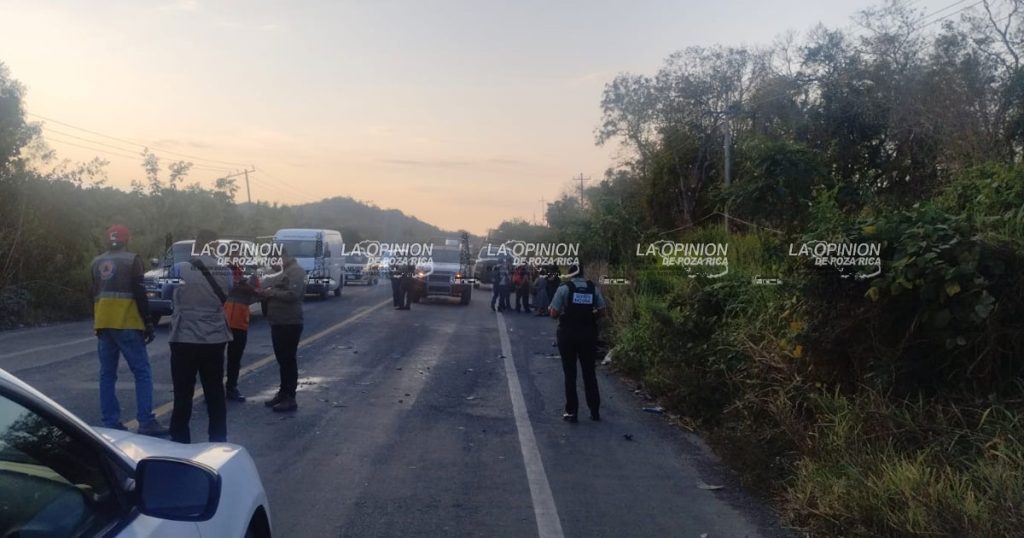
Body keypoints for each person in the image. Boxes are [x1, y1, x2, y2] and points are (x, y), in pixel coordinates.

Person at [90, 224, 168, 436]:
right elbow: (140, 293)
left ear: (109, 240)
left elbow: (94, 293)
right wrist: (149, 322)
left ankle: (110, 422)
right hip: (128, 322)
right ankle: (146, 421)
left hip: (104, 324)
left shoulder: (96, 262)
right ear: (127, 240)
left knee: (107, 375)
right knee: (142, 372)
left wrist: (97, 322)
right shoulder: (132, 260)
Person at [168, 229, 233, 443]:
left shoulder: (179, 269)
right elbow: (227, 295)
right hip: (214, 340)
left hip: (183, 338)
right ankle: (218, 441)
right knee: (215, 392)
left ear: (197, 244)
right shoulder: (226, 272)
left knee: (182, 395)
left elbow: (169, 293)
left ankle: (179, 444)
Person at [548, 263, 605, 423]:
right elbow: (602, 311)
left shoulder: (564, 288)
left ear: (570, 273)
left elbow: (553, 313)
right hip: (588, 335)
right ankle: (595, 411)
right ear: (583, 272)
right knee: (589, 373)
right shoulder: (592, 288)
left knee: (570, 374)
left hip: (568, 335)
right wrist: (589, 313)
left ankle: (572, 412)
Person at [259, 247, 305, 412]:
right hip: (278, 321)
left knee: (288, 360)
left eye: (277, 258)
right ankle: (283, 392)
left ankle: (290, 397)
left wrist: (272, 293)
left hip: (290, 322)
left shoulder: (296, 272)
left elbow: (294, 294)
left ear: (286, 256)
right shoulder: (282, 271)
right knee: (282, 360)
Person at [224, 263, 260, 402]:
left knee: (235, 358)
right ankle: (214, 388)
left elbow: (257, 294)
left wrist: (245, 286)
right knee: (214, 358)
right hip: (221, 321)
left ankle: (231, 387)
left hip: (239, 323)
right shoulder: (221, 272)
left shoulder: (250, 275)